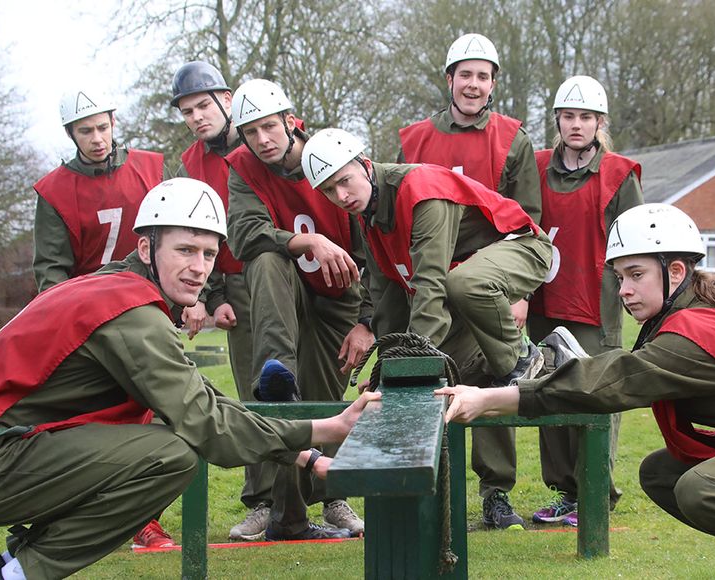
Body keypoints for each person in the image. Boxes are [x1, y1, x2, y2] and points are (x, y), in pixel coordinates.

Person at [0, 178, 381, 580]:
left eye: (208, 253)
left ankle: (17, 562)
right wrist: (326, 429)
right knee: (172, 454)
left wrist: (306, 453)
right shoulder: (130, 312)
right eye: (183, 250)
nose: (198, 267)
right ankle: (18, 572)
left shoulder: (122, 290)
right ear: (146, 248)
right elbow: (205, 425)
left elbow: (202, 400)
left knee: (165, 439)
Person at [435, 204, 715, 579]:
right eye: (618, 278)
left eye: (634, 275)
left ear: (676, 271)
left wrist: (488, 398)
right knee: (662, 473)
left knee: (702, 489)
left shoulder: (692, 334)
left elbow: (611, 382)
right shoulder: (688, 318)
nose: (624, 291)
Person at [301, 128, 551, 531]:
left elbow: (429, 286)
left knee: (462, 286)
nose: (342, 196)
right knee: (458, 369)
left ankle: (523, 357)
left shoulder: (420, 190)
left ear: (365, 165)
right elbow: (387, 298)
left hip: (521, 247)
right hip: (467, 273)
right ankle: (550, 356)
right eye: (330, 191)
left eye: (344, 180)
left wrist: (413, 374)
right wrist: (387, 372)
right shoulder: (369, 216)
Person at [32, 87, 201, 546]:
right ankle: (70, 516)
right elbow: (51, 270)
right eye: (85, 131)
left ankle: (145, 519)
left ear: (113, 123)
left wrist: (192, 297)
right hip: (89, 318)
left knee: (157, 407)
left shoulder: (149, 167)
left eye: (103, 127)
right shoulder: (54, 191)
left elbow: (185, 232)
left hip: (146, 306)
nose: (97, 138)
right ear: (71, 134)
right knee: (86, 420)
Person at [397, 32, 542, 528]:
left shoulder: (513, 138)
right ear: (449, 80)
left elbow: (529, 218)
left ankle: (496, 492)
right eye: (465, 75)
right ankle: (421, 488)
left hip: (487, 275)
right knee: (427, 372)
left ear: (493, 83)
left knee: (495, 373)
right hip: (433, 276)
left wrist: (517, 293)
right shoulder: (414, 138)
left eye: (483, 76)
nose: (473, 85)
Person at [225, 79, 373, 540]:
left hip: (337, 296)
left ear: (291, 121)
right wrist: (303, 239)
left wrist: (367, 321)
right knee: (268, 259)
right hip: (281, 294)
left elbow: (376, 243)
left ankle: (334, 497)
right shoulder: (243, 168)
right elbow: (244, 235)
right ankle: (271, 503)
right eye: (251, 132)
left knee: (327, 401)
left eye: (270, 127)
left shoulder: (329, 153)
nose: (263, 140)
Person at [527, 75, 643, 526]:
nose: (577, 125)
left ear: (600, 122)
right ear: (558, 120)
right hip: (543, 302)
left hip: (595, 305)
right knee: (548, 392)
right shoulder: (535, 168)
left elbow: (635, 244)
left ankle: (596, 492)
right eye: (569, 116)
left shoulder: (618, 174)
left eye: (587, 117)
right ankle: (565, 493)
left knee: (594, 395)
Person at [170, 61, 273, 542]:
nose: (196, 117)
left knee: (313, 384)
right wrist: (211, 296)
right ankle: (263, 502)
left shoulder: (265, 138)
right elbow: (194, 234)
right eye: (187, 111)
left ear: (226, 100)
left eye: (202, 106)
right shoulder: (191, 163)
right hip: (235, 286)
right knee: (254, 394)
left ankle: (325, 494)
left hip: (285, 277)